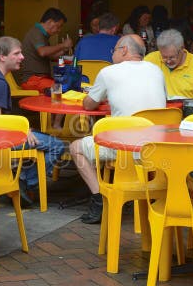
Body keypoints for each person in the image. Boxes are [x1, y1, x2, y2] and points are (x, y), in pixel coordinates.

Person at [70, 35, 167, 224]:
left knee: (75, 147)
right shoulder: (157, 70)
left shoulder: (109, 72)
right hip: (156, 148)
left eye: (113, 50)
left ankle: (99, 198)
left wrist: (92, 96)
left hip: (125, 149)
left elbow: (89, 105)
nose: (112, 54)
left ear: (123, 50)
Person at [0, 36, 66, 205]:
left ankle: (22, 179)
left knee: (39, 136)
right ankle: (26, 183)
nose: (22, 57)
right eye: (17, 53)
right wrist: (22, 131)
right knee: (57, 145)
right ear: (2, 56)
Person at [145, 29, 193, 113]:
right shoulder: (151, 60)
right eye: (164, 57)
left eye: (172, 57)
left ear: (182, 49)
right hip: (160, 113)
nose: (168, 61)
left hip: (190, 113)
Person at [16, 7, 73, 91]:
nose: (59, 30)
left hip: (40, 79)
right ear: (50, 22)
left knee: (63, 85)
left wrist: (64, 49)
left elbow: (51, 56)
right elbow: (42, 52)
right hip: (33, 80)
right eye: (58, 26)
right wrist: (63, 45)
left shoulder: (43, 35)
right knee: (62, 88)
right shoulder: (36, 32)